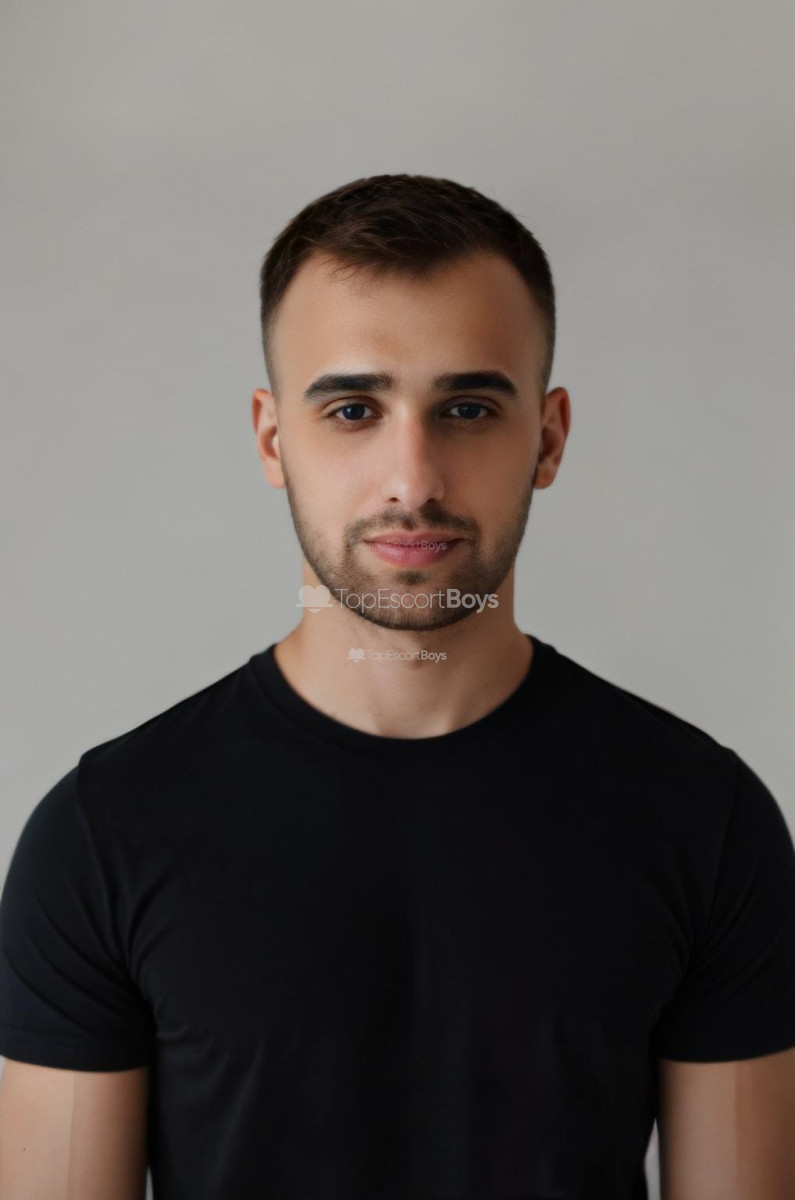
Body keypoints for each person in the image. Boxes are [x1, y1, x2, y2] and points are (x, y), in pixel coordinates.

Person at [1, 173, 794, 1200]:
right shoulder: (104, 837)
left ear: (548, 437)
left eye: (467, 407)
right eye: (352, 409)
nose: (411, 479)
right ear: (272, 438)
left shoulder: (703, 820)